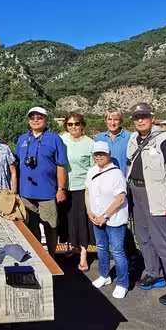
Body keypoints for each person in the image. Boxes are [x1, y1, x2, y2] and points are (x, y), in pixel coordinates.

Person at [127, 102, 166, 307]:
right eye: (137, 117)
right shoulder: (133, 138)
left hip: (156, 196)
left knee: (162, 241)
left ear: (152, 118)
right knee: (143, 237)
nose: (140, 120)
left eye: (144, 116)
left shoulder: (165, 139)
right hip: (136, 192)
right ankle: (154, 274)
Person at [16, 106, 68, 257]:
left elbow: (61, 165)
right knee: (32, 227)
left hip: (47, 192)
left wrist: (61, 189)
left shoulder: (54, 138)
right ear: (28, 121)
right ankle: (39, 255)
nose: (36, 120)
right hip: (26, 193)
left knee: (50, 226)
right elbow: (15, 162)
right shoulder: (22, 139)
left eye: (39, 117)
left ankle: (52, 257)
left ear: (46, 119)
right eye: (32, 117)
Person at [85, 141, 130, 299]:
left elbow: (120, 199)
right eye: (96, 154)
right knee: (101, 248)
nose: (98, 156)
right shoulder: (91, 171)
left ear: (108, 154)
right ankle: (104, 275)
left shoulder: (116, 174)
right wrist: (90, 212)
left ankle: (123, 283)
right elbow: (87, 193)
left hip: (114, 219)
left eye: (101, 154)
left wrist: (105, 216)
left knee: (117, 252)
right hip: (97, 218)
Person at [60, 112, 95, 271]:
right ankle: (72, 247)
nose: (74, 127)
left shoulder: (90, 143)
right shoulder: (62, 140)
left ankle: (83, 255)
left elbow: (93, 168)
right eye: (70, 124)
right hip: (65, 187)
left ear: (83, 125)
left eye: (77, 123)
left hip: (82, 188)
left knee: (82, 223)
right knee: (68, 221)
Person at [95, 108, 131, 176]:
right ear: (105, 120)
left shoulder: (129, 137)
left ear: (121, 121)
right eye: (110, 119)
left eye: (116, 119)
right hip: (104, 179)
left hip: (123, 180)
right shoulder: (99, 138)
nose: (112, 123)